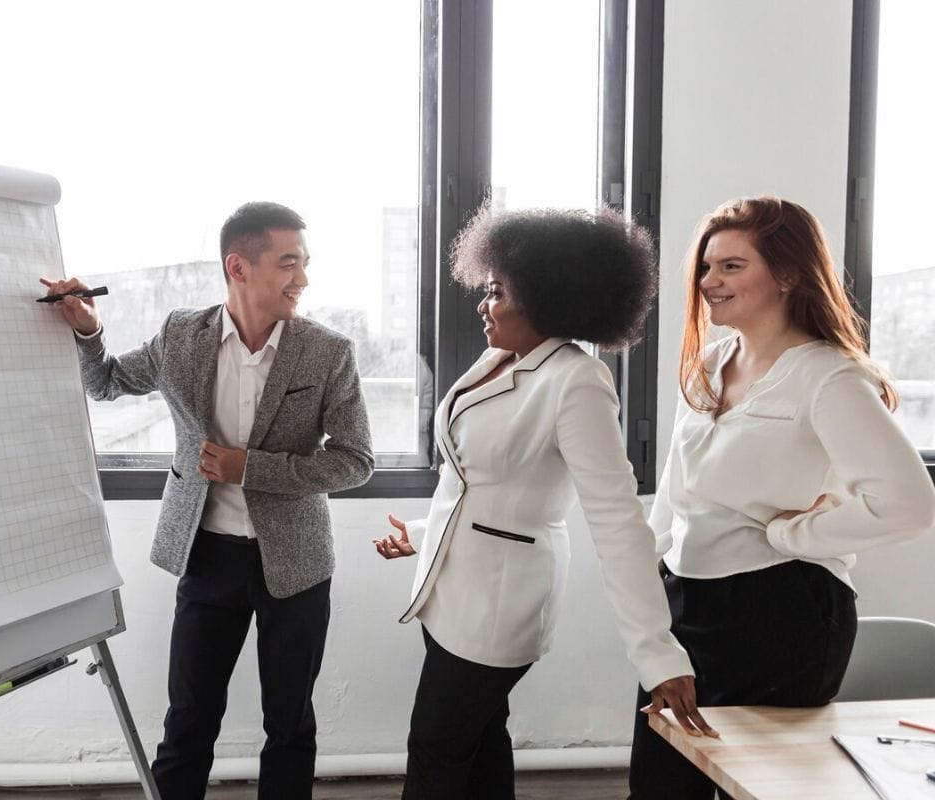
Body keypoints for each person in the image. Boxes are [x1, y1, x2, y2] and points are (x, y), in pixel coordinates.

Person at [374, 206, 713, 800]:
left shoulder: (575, 381)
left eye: (497, 292)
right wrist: (426, 532)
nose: (484, 305)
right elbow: (485, 483)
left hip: (499, 605)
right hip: (451, 588)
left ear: (546, 296)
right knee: (479, 742)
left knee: (436, 749)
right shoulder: (502, 356)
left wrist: (656, 651)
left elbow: (616, 521)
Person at [42, 201, 374, 799]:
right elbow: (107, 382)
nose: (303, 278)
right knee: (189, 722)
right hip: (207, 556)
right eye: (289, 263)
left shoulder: (328, 353)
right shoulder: (180, 337)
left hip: (295, 565)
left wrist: (252, 468)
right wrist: (88, 330)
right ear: (238, 267)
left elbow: (355, 462)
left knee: (289, 725)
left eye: (305, 263)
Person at [627, 195, 935, 799]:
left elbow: (911, 503)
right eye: (707, 268)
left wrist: (790, 534)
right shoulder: (710, 364)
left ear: (789, 274)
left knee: (769, 789)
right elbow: (675, 492)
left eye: (732, 266)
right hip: (686, 604)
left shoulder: (830, 376)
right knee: (660, 788)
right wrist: (648, 588)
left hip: (784, 609)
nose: (710, 282)